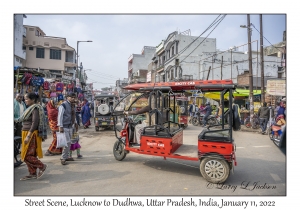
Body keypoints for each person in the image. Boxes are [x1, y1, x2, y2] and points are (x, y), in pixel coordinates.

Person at [16, 93, 47, 180]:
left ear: (33, 100)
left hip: (31, 134)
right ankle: (32, 173)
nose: (25, 101)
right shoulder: (30, 108)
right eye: (25, 99)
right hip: (26, 132)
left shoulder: (35, 109)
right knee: (31, 154)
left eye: (26, 99)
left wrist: (28, 136)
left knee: (26, 155)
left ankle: (42, 166)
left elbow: (35, 123)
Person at [57, 92, 77, 165]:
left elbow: (73, 115)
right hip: (64, 126)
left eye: (74, 97)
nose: (73, 98)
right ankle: (63, 158)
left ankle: (66, 156)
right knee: (67, 142)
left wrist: (75, 123)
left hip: (70, 126)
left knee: (70, 142)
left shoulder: (72, 105)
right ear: (67, 97)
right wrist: (60, 126)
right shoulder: (63, 105)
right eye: (71, 97)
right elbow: (60, 116)